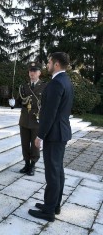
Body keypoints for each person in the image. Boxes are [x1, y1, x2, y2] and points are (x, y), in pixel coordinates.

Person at [28, 52, 74, 222]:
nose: (46, 65)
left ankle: (49, 211)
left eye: (48, 62)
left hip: (54, 135)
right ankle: (54, 205)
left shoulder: (56, 83)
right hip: (61, 132)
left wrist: (40, 135)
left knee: (52, 173)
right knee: (58, 171)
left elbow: (50, 114)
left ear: (56, 64)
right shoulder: (66, 81)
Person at [17, 62, 47, 176]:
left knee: (35, 144)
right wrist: (12, 102)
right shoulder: (24, 86)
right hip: (24, 119)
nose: (32, 73)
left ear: (39, 73)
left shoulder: (45, 86)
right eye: (30, 71)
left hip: (36, 120)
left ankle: (33, 165)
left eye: (34, 71)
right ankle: (26, 164)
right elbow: (19, 100)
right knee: (24, 143)